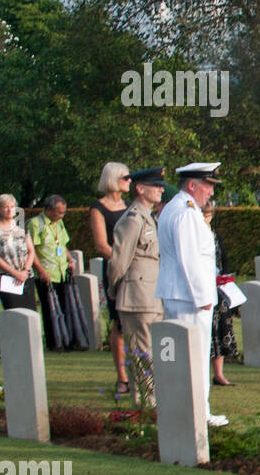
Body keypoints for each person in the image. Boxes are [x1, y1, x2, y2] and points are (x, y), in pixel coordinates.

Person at [156, 163, 227, 427]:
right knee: (194, 357)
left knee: (186, 357)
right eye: (208, 185)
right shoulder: (186, 212)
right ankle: (198, 413)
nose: (210, 192)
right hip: (189, 296)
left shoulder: (177, 208)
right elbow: (191, 259)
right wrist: (203, 296)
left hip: (180, 293)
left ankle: (191, 410)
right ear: (192, 185)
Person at [106, 167, 166, 401]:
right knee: (142, 353)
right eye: (156, 185)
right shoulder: (132, 219)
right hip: (137, 296)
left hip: (153, 295)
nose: (161, 189)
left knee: (153, 350)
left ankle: (147, 399)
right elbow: (119, 261)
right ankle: (148, 403)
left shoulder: (150, 217)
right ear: (140, 189)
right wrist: (114, 288)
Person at [90, 162, 131, 394]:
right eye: (126, 177)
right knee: (120, 324)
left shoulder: (130, 205)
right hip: (116, 269)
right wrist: (123, 262)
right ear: (114, 178)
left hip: (138, 271)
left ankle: (140, 371)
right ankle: (122, 377)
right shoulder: (99, 208)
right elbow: (101, 244)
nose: (130, 181)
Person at [27, 195, 81, 351]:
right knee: (50, 309)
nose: (61, 215)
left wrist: (71, 259)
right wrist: (41, 271)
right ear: (48, 210)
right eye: (59, 212)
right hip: (46, 273)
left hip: (61, 271)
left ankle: (68, 339)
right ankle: (54, 343)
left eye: (64, 212)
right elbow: (32, 251)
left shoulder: (59, 223)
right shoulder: (36, 224)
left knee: (66, 307)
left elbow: (62, 245)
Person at [202, 199, 239, 387]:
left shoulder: (216, 236)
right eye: (204, 215)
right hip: (202, 289)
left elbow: (224, 261)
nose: (206, 219)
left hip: (218, 290)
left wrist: (225, 278)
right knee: (206, 333)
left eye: (209, 215)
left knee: (222, 330)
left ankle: (219, 374)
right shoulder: (196, 236)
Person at [0, 194, 36, 310]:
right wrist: (15, 273)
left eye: (12, 206)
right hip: (6, 278)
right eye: (5, 207)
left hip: (25, 276)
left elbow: (31, 251)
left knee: (30, 312)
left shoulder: (21, 227)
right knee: (14, 311)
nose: (9, 210)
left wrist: (25, 270)